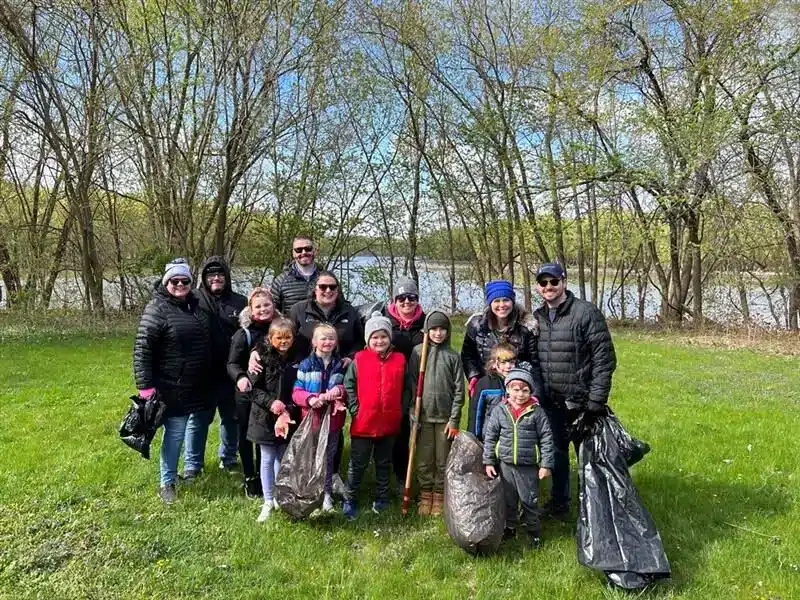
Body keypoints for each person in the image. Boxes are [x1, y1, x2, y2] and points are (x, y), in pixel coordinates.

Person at [532, 262, 616, 519]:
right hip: (550, 402)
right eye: (543, 283)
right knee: (556, 455)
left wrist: (595, 403)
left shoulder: (585, 313)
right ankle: (559, 505)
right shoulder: (537, 318)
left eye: (554, 282)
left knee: (589, 461)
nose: (549, 287)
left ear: (564, 282)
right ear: (538, 286)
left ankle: (594, 510)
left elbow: (605, 360)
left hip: (580, 404)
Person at [133, 258, 213, 504]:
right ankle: (167, 482)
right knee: (175, 433)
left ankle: (188, 468)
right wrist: (145, 388)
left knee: (191, 427)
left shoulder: (195, 307)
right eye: (174, 281)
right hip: (170, 387)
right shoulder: (157, 309)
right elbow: (142, 350)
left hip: (194, 385)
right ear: (166, 282)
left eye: (185, 281)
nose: (179, 285)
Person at [359, 276, 427, 489]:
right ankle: (377, 468)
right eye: (401, 298)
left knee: (406, 431)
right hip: (387, 382)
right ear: (394, 300)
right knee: (386, 430)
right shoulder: (384, 321)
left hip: (414, 383)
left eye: (411, 297)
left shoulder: (425, 322)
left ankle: (401, 474)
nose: (407, 302)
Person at [342, 312, 409, 519]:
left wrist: (402, 409)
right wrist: (355, 409)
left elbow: (407, 388)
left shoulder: (399, 360)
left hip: (389, 422)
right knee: (358, 463)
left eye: (383, 336)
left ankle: (382, 497)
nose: (379, 341)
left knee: (383, 463)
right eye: (374, 337)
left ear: (390, 338)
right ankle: (350, 498)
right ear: (368, 339)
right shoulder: (359, 360)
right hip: (363, 423)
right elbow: (349, 385)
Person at [483, 368, 554, 547]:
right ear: (507, 390)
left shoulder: (536, 412)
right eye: (515, 389)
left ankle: (533, 532)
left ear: (531, 392)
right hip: (506, 464)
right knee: (508, 500)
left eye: (525, 390)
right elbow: (491, 436)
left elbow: (547, 438)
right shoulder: (500, 410)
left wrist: (546, 465)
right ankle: (510, 527)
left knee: (530, 500)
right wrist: (489, 461)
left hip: (528, 465)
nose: (520, 394)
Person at [407, 311, 464, 516]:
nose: (438, 333)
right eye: (433, 329)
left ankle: (440, 494)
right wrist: (413, 411)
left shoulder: (453, 356)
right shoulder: (417, 353)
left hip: (444, 419)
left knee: (443, 459)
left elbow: (459, 390)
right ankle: (425, 494)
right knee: (424, 459)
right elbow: (411, 383)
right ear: (426, 331)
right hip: (422, 417)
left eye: (442, 329)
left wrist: (454, 418)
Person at [195, 256, 247, 473]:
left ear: (226, 277)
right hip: (202, 373)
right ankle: (193, 464)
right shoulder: (193, 300)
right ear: (204, 278)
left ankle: (228, 458)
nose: (216, 278)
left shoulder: (240, 302)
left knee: (230, 418)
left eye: (220, 274)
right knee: (198, 420)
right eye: (211, 274)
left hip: (230, 371)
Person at [247, 317, 301, 522]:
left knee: (282, 456)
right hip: (264, 418)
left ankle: (280, 496)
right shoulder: (261, 357)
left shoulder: (297, 359)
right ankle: (268, 499)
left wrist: (287, 408)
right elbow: (253, 389)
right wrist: (271, 404)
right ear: (270, 338)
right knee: (267, 458)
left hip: (288, 414)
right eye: (279, 337)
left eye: (288, 337)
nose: (284, 341)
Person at [292, 323, 348, 512]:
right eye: (323, 338)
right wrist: (309, 399)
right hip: (312, 420)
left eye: (331, 338)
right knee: (310, 457)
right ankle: (308, 493)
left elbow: (346, 389)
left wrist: (337, 391)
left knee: (327, 459)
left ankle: (326, 496)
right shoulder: (306, 365)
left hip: (333, 422)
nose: (327, 342)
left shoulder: (339, 364)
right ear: (314, 341)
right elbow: (296, 392)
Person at [227, 287, 276, 498]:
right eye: (258, 306)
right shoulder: (243, 334)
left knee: (265, 435)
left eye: (267, 304)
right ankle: (250, 476)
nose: (263, 309)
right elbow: (231, 363)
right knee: (247, 434)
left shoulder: (280, 328)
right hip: (247, 394)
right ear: (251, 310)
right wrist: (240, 377)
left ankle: (267, 473)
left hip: (271, 392)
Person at [461, 279, 542, 399]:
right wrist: (474, 376)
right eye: (496, 301)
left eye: (506, 300)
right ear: (490, 303)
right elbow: (468, 354)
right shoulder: (477, 326)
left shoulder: (526, 328)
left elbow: (534, 364)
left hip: (517, 391)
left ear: (512, 301)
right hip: (487, 387)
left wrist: (535, 394)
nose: (501, 305)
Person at [289, 271, 364, 359]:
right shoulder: (298, 310)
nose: (328, 290)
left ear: (337, 289)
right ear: (315, 289)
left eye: (332, 287)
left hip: (342, 367)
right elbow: (288, 339)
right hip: (305, 367)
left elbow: (360, 342)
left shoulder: (349, 311)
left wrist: (350, 358)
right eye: (323, 287)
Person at [467, 342, 516, 440]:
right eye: (503, 362)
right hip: (489, 439)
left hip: (511, 439)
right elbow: (476, 414)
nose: (508, 366)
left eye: (511, 362)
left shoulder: (518, 383)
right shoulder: (484, 384)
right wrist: (475, 438)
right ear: (494, 364)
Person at [270, 234, 321, 314]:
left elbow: (340, 307)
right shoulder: (280, 281)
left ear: (314, 251)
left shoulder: (327, 278)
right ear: (293, 253)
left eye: (308, 249)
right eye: (298, 250)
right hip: (291, 326)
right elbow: (272, 312)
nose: (303, 252)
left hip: (321, 326)